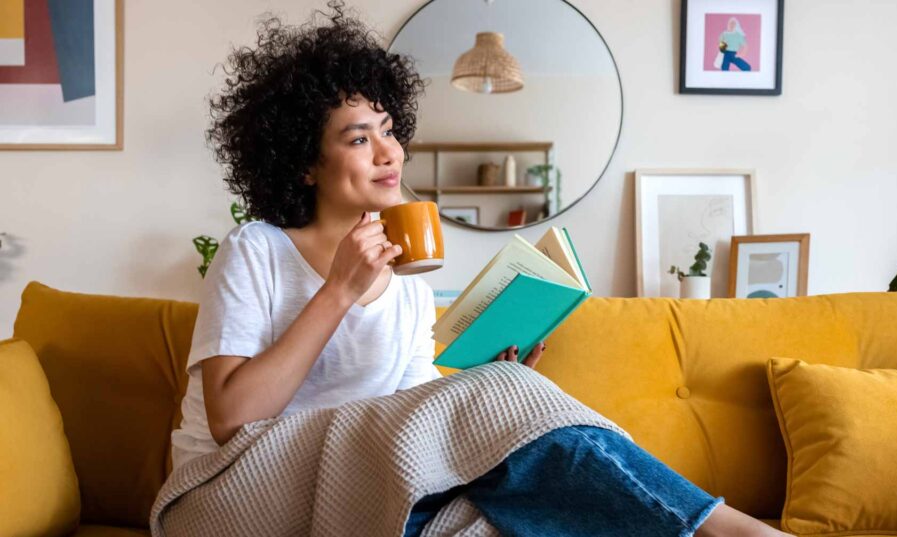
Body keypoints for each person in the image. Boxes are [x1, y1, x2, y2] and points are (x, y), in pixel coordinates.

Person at [169, 2, 791, 535]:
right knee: (504, 414)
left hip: (347, 490)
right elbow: (232, 420)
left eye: (388, 130)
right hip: (227, 494)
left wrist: (485, 386)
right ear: (304, 163)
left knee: (492, 517)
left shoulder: (408, 284)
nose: (390, 153)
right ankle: (718, 525)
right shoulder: (257, 249)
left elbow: (409, 430)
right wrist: (337, 291)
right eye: (359, 139)